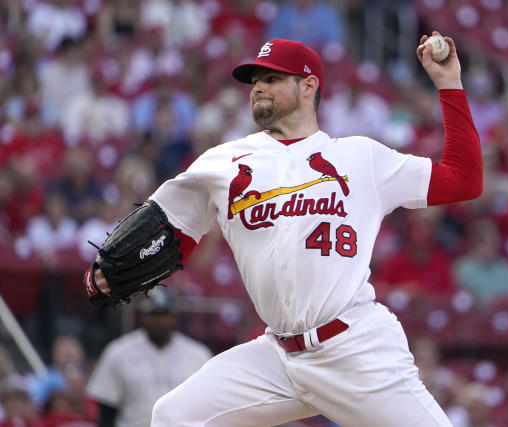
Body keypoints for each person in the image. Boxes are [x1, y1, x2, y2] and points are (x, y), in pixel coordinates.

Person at [86, 32, 482, 426]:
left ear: (308, 85)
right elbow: (174, 233)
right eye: (255, 79)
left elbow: (465, 179)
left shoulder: (361, 156)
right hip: (278, 357)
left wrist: (449, 84)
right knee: (174, 415)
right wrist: (112, 272)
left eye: (272, 78)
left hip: (355, 350)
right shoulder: (224, 162)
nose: (258, 87)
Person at [86, 288, 211, 427]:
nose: (159, 321)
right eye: (153, 314)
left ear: (174, 316)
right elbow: (107, 409)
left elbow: (208, 406)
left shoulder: (198, 355)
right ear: (142, 316)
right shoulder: (118, 352)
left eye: (164, 314)